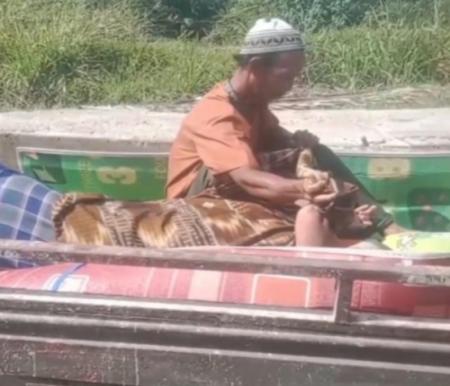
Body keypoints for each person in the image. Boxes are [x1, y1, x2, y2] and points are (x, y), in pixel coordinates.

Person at [0, 18, 399, 249]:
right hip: (202, 200)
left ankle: (376, 223)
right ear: (256, 67)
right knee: (296, 192)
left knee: (312, 155)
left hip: (242, 186)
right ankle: (361, 230)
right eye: (288, 75)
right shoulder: (216, 114)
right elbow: (242, 176)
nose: (293, 84)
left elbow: (280, 144)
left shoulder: (253, 106)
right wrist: (302, 192)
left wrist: (303, 146)